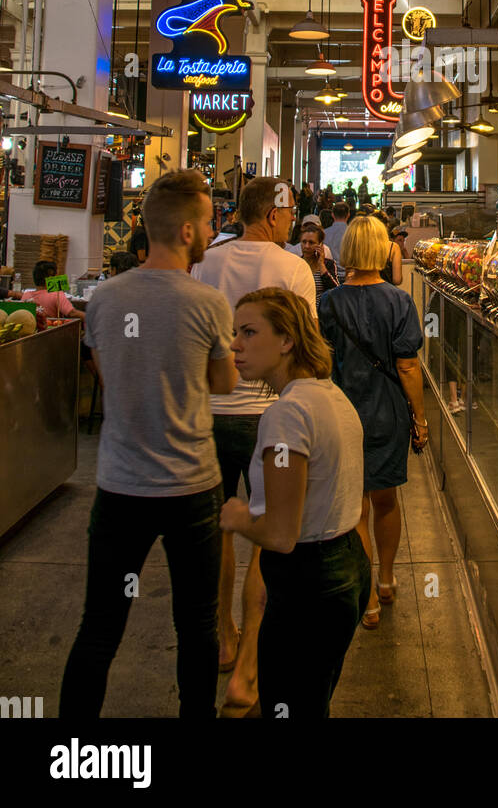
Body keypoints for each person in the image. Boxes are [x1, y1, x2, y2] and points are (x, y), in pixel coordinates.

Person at [59, 170, 238, 719]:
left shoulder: (105, 301)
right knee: (197, 627)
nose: (212, 231)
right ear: (186, 232)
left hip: (119, 487)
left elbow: (110, 379)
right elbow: (224, 383)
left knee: (100, 626)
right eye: (208, 223)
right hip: (192, 487)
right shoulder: (208, 303)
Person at [191, 176, 315, 717]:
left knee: (222, 524)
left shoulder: (208, 263)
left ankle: (222, 635)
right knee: (269, 534)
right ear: (271, 214)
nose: (292, 225)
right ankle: (247, 669)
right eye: (288, 216)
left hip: (211, 413)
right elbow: (306, 346)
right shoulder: (293, 268)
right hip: (272, 417)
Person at [220, 289, 369, 719]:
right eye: (235, 333)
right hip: (346, 572)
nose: (235, 345)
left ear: (286, 340)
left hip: (309, 589)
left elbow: (281, 535)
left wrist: (238, 517)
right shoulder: (330, 396)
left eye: (249, 332)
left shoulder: (286, 415)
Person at [318, 216, 426, 630]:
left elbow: (321, 362)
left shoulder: (328, 302)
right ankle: (386, 579)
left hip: (343, 413)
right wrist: (420, 417)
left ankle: (367, 602)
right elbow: (408, 366)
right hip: (388, 413)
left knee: (355, 507)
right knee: (386, 500)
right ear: (382, 249)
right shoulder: (399, 301)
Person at [298, 224, 340, 300]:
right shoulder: (296, 264)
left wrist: (322, 266)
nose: (307, 246)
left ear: (320, 245)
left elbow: (335, 291)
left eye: (311, 243)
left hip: (320, 310)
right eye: (304, 242)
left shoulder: (328, 264)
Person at [373, 211, 403, 286]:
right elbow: (397, 280)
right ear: (386, 226)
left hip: (366, 293)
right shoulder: (393, 247)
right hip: (388, 293)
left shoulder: (363, 246)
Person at [324, 200, 350, 267]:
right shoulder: (354, 233)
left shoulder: (324, 233)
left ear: (332, 215)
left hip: (330, 272)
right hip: (349, 272)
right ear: (348, 215)